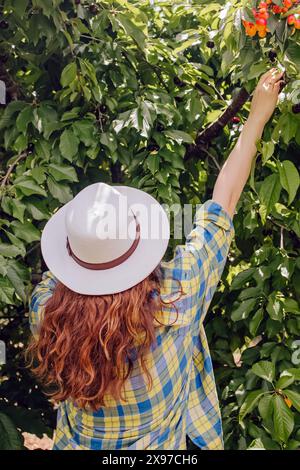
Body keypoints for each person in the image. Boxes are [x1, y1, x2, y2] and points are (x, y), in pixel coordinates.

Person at [28, 69, 284, 450]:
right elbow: (224, 202)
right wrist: (256, 117)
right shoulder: (179, 295)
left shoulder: (46, 309)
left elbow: (64, 276)